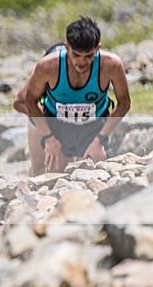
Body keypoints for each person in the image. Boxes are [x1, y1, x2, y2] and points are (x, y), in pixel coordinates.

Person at [13, 16, 131, 176]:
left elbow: (124, 103)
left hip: (92, 122)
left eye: (88, 56)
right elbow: (24, 101)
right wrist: (49, 138)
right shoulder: (48, 66)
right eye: (76, 55)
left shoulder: (111, 65)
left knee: (91, 171)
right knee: (50, 171)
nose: (81, 62)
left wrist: (100, 140)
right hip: (54, 121)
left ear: (98, 48)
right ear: (66, 48)